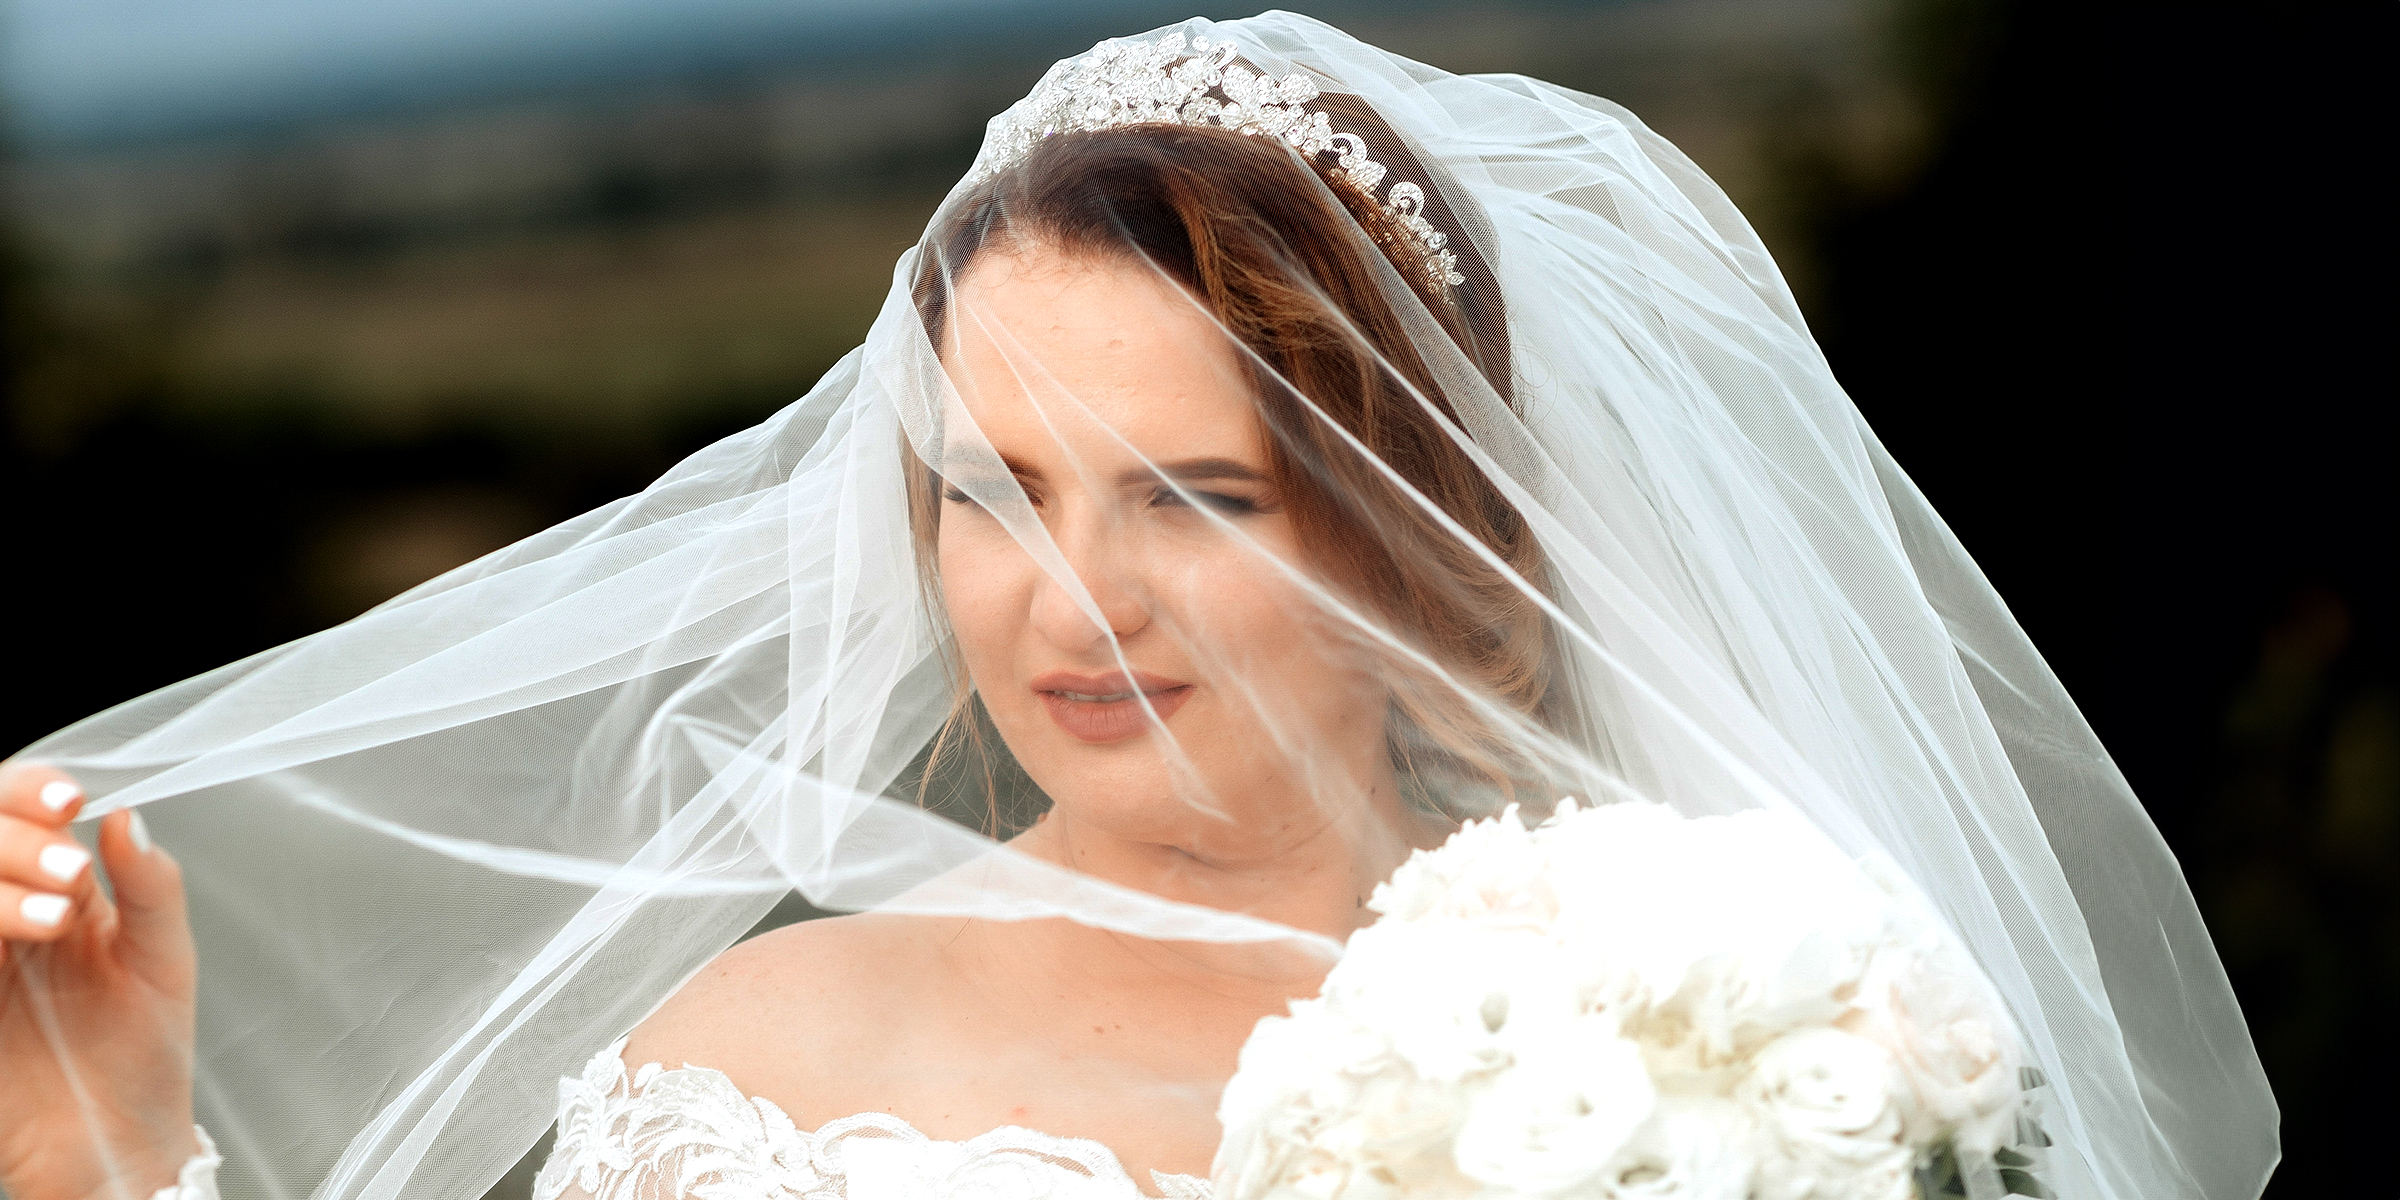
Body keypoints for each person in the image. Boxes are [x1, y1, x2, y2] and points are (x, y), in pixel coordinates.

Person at [0, 13, 2274, 1200]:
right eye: (994, 489)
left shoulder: (1754, 1013)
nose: (1072, 596)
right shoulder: (768, 1068)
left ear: (1420, 533)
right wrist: (107, 1174)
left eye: (1198, 494)